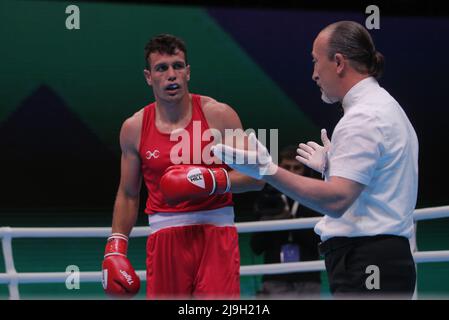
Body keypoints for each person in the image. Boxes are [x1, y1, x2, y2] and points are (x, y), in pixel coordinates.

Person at [213, 21, 419, 299]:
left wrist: (267, 170)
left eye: (315, 61)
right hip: (378, 260)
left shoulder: (363, 118)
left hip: (367, 261)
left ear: (338, 62)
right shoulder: (384, 106)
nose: (313, 74)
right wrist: (333, 167)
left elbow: (336, 201)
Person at [101, 34, 264, 299]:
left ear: (188, 72)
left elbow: (258, 175)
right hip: (165, 237)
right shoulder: (134, 128)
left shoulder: (219, 115)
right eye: (162, 68)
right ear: (148, 76)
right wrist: (116, 245)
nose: (171, 75)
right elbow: (128, 193)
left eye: (178, 66)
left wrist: (210, 180)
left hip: (216, 233)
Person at [250, 145, 321, 299]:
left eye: (297, 168)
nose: (292, 172)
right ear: (278, 168)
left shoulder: (315, 198)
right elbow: (256, 247)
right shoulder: (267, 199)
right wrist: (274, 220)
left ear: (306, 171)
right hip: (274, 278)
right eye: (287, 167)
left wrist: (288, 219)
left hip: (308, 277)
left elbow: (319, 243)